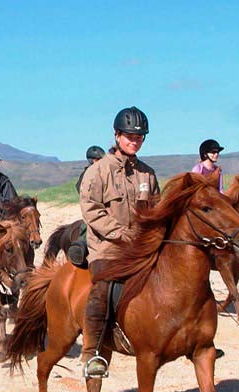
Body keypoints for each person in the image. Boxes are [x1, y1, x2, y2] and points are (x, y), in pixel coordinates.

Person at [79, 106, 159, 378]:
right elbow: (91, 209)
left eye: (139, 137)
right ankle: (92, 353)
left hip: (140, 247)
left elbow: (156, 209)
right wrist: (120, 233)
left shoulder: (147, 174)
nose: (134, 141)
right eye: (129, 136)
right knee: (102, 290)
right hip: (107, 248)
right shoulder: (98, 172)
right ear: (116, 135)